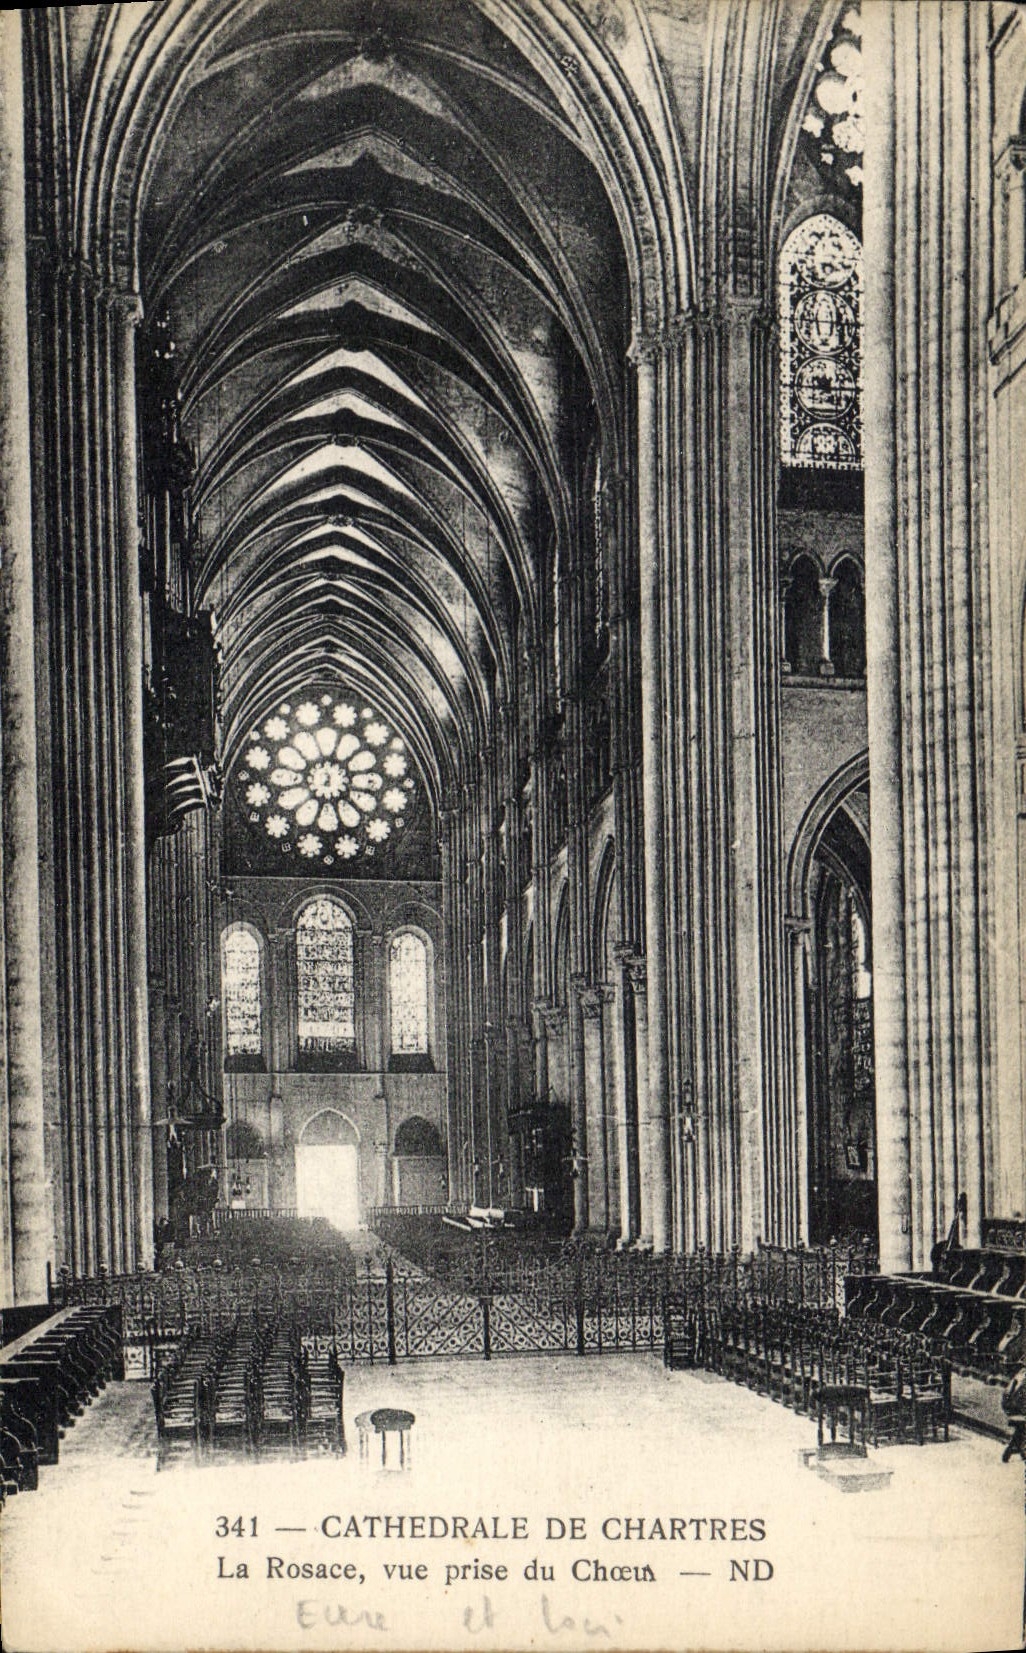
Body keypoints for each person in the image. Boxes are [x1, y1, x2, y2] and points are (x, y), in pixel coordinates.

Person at [1000, 1364, 1026, 1464]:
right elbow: (1020, 1399)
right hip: (1016, 1410)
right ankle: (1019, 1450)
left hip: (1010, 1407)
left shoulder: (1022, 1372)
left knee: (1020, 1432)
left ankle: (1012, 1450)